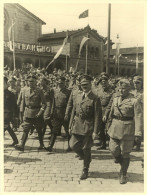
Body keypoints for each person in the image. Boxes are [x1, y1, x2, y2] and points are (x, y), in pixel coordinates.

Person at [107, 79, 143, 184]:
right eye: (120, 88)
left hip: (128, 129)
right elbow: (111, 113)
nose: (121, 90)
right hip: (115, 127)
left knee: (126, 153)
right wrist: (108, 125)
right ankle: (123, 163)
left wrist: (138, 133)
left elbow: (138, 117)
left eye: (123, 88)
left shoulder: (134, 101)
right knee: (113, 150)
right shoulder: (115, 99)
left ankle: (123, 174)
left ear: (129, 89)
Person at [69, 75, 102, 180]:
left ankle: (85, 169)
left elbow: (98, 116)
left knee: (86, 148)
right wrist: (70, 125)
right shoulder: (78, 95)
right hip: (77, 124)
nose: (84, 86)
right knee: (73, 145)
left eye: (86, 84)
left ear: (90, 84)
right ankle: (86, 158)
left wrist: (95, 131)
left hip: (88, 126)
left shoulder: (95, 98)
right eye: (82, 85)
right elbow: (73, 112)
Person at [15, 75, 46, 151]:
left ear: (36, 82)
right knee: (26, 129)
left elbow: (44, 103)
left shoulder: (39, 91)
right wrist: (22, 113)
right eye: (29, 81)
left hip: (36, 113)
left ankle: (41, 144)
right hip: (28, 113)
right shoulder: (25, 90)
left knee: (39, 130)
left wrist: (40, 112)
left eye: (32, 81)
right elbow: (23, 103)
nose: (30, 83)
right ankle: (22, 145)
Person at [46, 76, 71, 152]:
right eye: (59, 83)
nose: (60, 84)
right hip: (56, 113)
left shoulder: (68, 92)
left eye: (62, 83)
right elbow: (52, 102)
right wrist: (51, 112)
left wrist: (67, 113)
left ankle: (70, 146)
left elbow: (70, 104)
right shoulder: (54, 90)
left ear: (65, 83)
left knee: (67, 131)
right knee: (54, 130)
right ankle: (50, 146)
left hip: (65, 113)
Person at [96, 74, 114, 149]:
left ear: (108, 82)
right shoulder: (98, 91)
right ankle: (103, 144)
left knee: (109, 128)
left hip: (108, 112)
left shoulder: (112, 92)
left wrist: (106, 114)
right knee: (100, 128)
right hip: (99, 112)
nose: (103, 84)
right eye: (102, 83)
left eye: (105, 82)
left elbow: (110, 104)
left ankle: (111, 145)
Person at [4, 76, 19, 146]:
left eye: (3, 83)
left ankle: (15, 140)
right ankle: (15, 140)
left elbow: (14, 106)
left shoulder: (10, 94)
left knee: (4, 127)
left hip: (7, 113)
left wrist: (15, 115)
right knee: (7, 127)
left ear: (7, 84)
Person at [132, 75, 143, 151]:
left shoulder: (143, 93)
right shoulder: (131, 92)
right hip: (132, 113)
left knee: (139, 128)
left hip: (141, 113)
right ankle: (133, 143)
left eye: (138, 83)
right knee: (132, 128)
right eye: (135, 83)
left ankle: (138, 144)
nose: (136, 84)